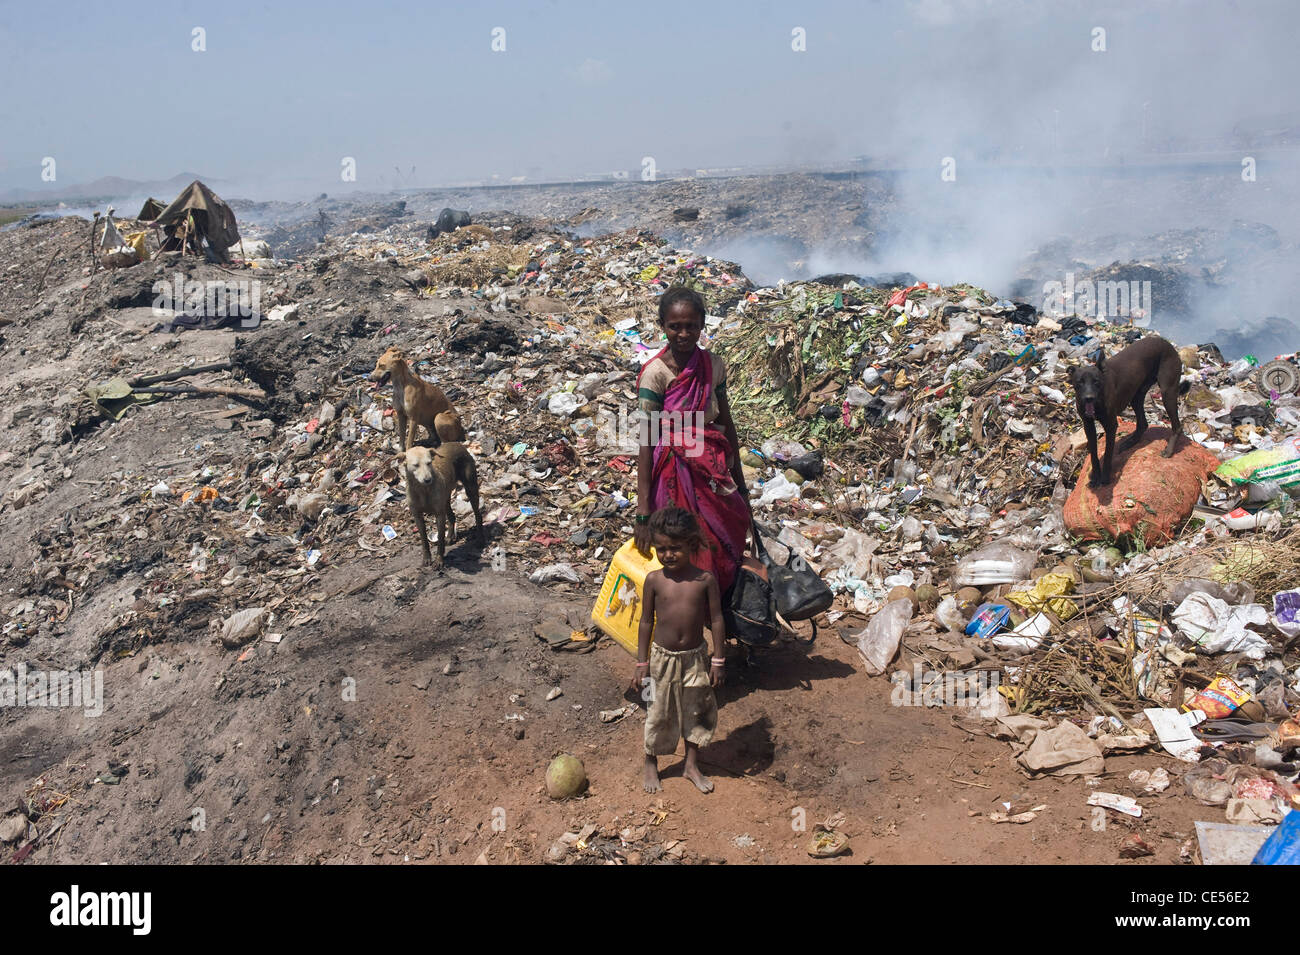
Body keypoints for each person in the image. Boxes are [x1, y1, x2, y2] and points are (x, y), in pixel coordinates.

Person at [633, 286, 751, 601]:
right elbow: (645, 441)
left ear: (702, 325)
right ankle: (683, 620)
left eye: (691, 326)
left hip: (710, 464)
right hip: (671, 467)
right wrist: (643, 512)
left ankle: (717, 610)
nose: (683, 333)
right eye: (675, 326)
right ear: (662, 326)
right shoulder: (654, 374)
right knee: (679, 545)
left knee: (725, 533)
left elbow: (726, 423)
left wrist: (740, 485)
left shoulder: (713, 365)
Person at [629, 507, 725, 794]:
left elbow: (717, 619)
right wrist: (641, 663)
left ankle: (691, 764)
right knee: (657, 710)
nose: (668, 554)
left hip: (695, 658)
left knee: (695, 710)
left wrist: (718, 659)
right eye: (662, 549)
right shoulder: (654, 581)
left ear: (691, 545)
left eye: (675, 548)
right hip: (661, 659)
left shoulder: (704, 580)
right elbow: (646, 622)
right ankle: (651, 761)